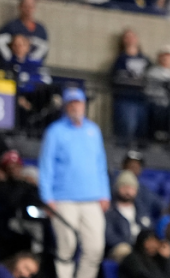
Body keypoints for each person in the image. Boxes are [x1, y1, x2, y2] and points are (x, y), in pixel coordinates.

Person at [38, 87, 109, 278]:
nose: (76, 107)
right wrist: (47, 197)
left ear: (84, 105)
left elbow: (101, 164)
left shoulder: (94, 131)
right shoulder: (55, 132)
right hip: (63, 199)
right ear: (65, 106)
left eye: (78, 103)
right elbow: (46, 166)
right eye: (72, 103)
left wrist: (105, 193)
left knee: (95, 248)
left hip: (92, 198)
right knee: (66, 246)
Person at [111, 29, 151, 146]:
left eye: (132, 36)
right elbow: (115, 77)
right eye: (127, 37)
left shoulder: (145, 59)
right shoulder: (120, 59)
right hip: (125, 98)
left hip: (141, 99)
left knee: (141, 128)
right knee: (127, 127)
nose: (130, 39)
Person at [105, 170, 154, 261]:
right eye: (124, 186)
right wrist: (130, 244)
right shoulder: (110, 212)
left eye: (131, 187)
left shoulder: (142, 210)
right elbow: (109, 237)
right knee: (126, 251)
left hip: (141, 247)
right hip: (121, 249)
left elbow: (149, 230)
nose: (128, 190)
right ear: (117, 188)